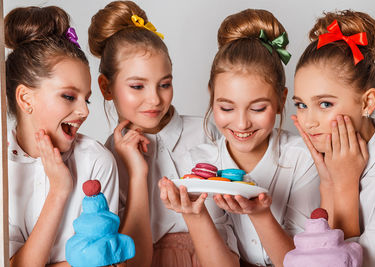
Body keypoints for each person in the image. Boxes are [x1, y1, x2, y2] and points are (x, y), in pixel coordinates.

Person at [159, 9, 320, 267]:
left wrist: (261, 214)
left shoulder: (303, 158)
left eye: (257, 108)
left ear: (281, 100)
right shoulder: (203, 161)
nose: (242, 123)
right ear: (211, 96)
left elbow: (302, 263)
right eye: (226, 108)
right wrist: (193, 215)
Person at [88, 1, 236, 266]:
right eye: (137, 86)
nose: (155, 99)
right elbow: (132, 262)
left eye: (164, 84)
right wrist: (137, 174)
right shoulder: (103, 160)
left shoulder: (208, 132)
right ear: (106, 87)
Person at [5, 6, 119, 266]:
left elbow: (102, 260)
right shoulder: (3, 169)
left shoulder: (97, 162)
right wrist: (59, 190)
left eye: (87, 99)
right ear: (25, 98)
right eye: (69, 96)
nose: (84, 111)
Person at [291, 10, 375, 267]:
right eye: (301, 105)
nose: (308, 121)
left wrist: (343, 186)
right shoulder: (317, 160)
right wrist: (328, 184)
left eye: (325, 103)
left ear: (367, 102)